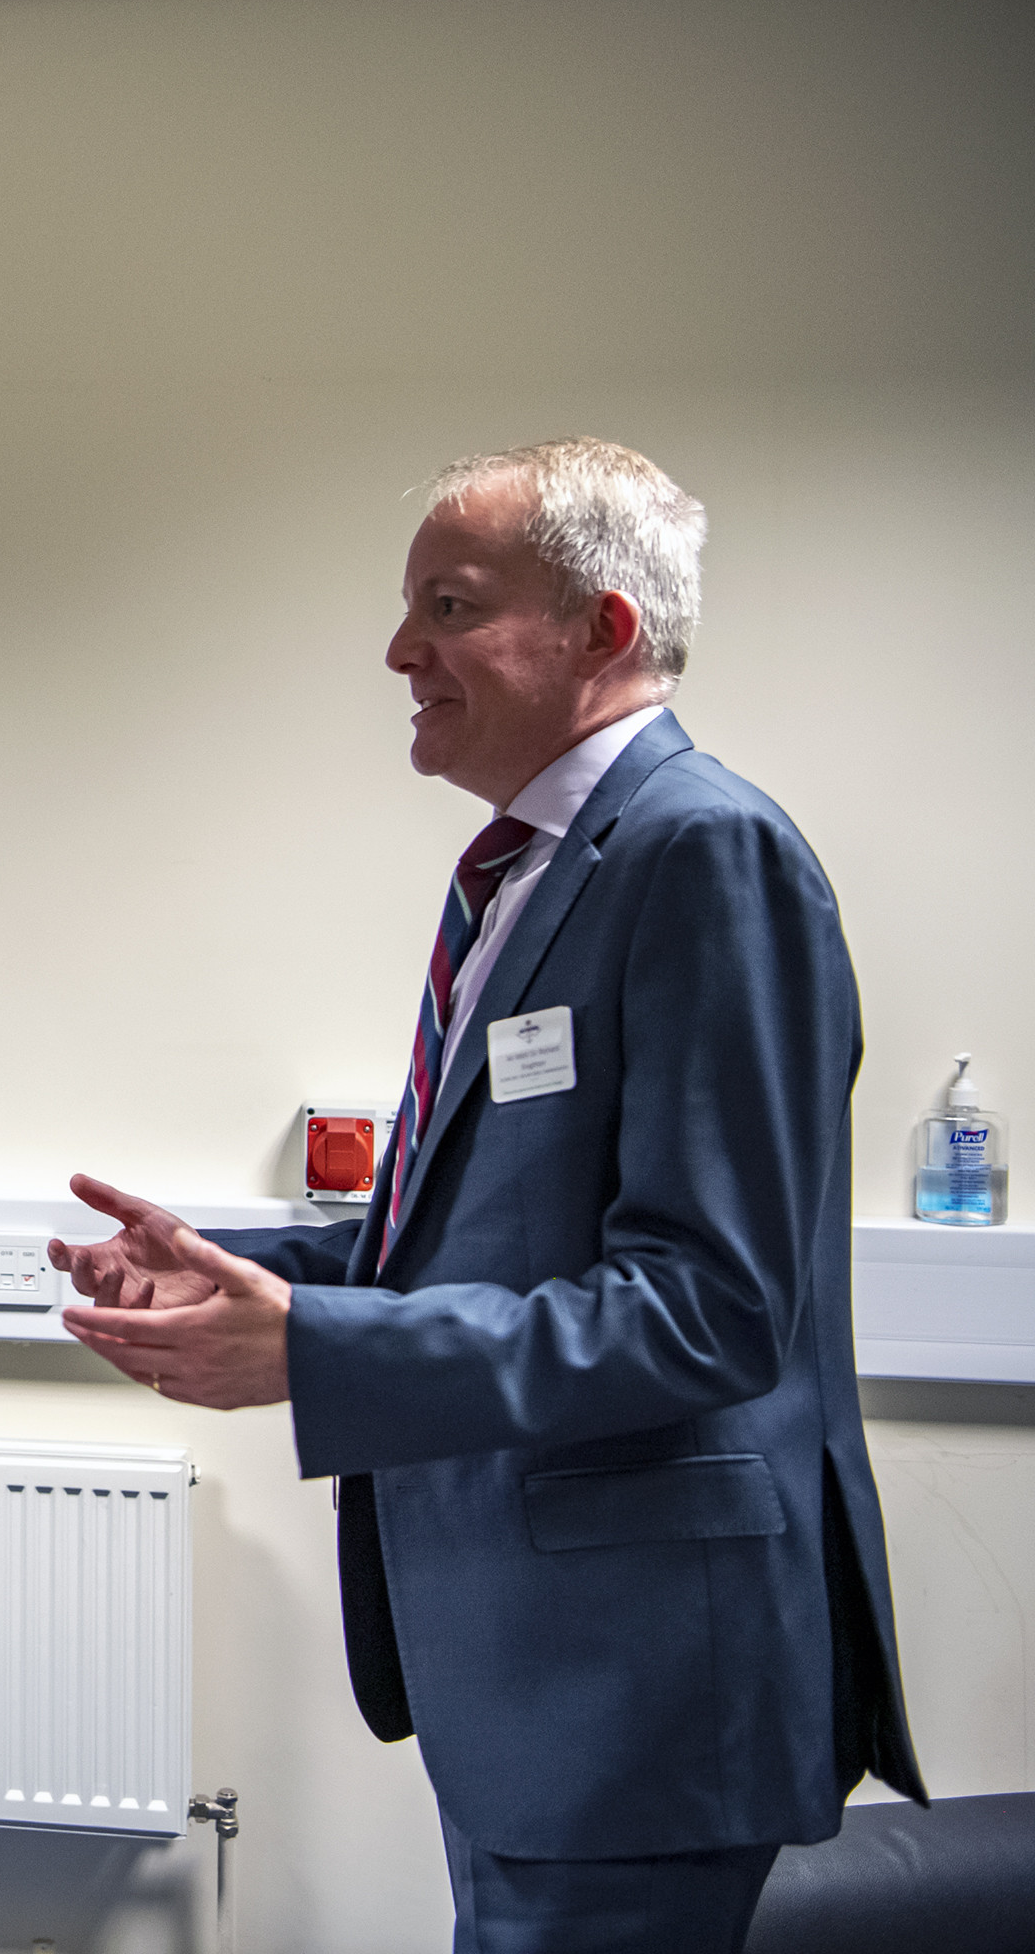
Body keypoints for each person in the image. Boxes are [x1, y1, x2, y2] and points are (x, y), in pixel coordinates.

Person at [51, 438, 924, 1951]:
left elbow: (709, 1313)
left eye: (449, 608)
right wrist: (243, 1270)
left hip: (642, 1684)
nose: (401, 652)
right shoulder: (532, 869)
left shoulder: (704, 852)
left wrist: (317, 1352)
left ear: (604, 628)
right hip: (535, 1670)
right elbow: (494, 1229)